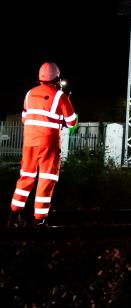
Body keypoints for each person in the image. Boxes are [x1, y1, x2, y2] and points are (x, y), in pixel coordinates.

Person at [7, 62, 78, 228]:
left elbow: (25, 119)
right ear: (57, 78)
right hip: (48, 144)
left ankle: (13, 216)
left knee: (26, 177)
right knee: (46, 179)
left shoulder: (29, 93)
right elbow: (72, 122)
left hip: (29, 143)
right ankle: (40, 220)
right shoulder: (60, 96)